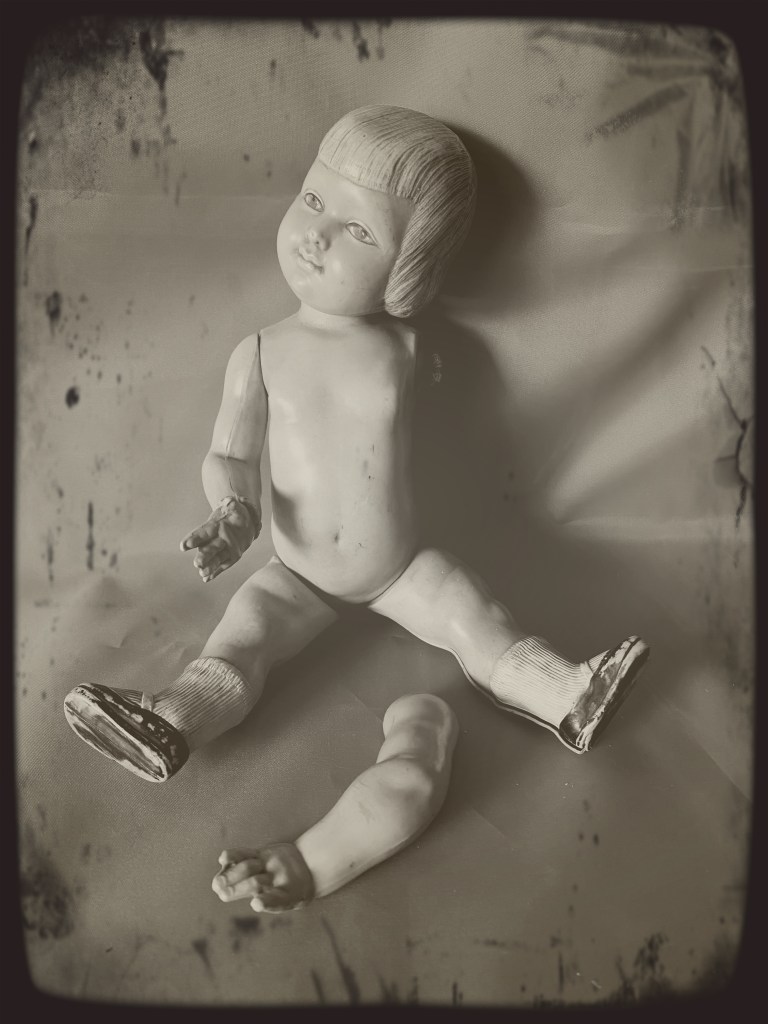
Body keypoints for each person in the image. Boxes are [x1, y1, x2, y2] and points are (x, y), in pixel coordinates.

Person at [64, 106, 649, 913]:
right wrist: (232, 509)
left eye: (358, 232)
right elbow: (230, 453)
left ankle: (565, 695)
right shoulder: (261, 352)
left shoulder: (412, 349)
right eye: (312, 201)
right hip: (299, 570)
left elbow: (448, 444)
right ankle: (170, 720)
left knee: (475, 615)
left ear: (409, 270)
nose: (317, 236)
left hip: (400, 564)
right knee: (242, 639)